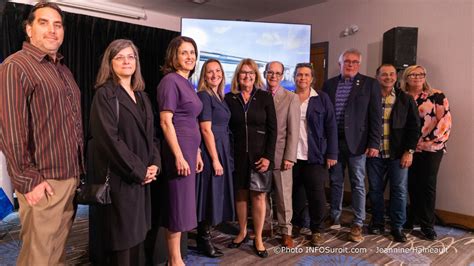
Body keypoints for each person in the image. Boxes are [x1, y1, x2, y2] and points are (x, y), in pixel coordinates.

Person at [0, 2, 83, 264]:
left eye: (57, 25)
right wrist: (28, 180)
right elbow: (11, 129)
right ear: (29, 29)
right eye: (44, 23)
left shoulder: (62, 69)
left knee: (55, 255)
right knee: (39, 257)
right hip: (42, 181)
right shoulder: (16, 66)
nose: (52, 30)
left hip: (68, 176)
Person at [88, 39, 161, 265]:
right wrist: (140, 171)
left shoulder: (142, 96)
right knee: (122, 243)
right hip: (122, 179)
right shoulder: (105, 95)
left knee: (138, 238)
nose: (126, 61)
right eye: (120, 57)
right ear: (110, 63)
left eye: (131, 56)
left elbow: (153, 137)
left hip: (143, 181)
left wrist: (155, 165)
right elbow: (110, 141)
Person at [322, 48, 382, 242]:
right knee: (336, 181)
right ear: (340, 63)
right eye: (347, 61)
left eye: (354, 62)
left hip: (358, 144)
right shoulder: (329, 85)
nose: (350, 64)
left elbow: (375, 116)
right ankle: (335, 216)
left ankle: (358, 221)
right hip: (334, 143)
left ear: (359, 64)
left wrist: (374, 142)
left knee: (357, 182)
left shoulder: (370, 84)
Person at [156, 36, 203, 266]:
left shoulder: (187, 82)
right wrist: (179, 155)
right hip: (178, 150)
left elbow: (191, 120)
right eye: (184, 52)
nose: (189, 57)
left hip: (189, 149)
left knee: (183, 205)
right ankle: (174, 260)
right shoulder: (170, 81)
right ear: (174, 56)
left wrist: (197, 152)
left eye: (192, 52)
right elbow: (166, 121)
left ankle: (174, 259)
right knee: (177, 204)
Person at [225, 58, 277, 258]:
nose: (247, 76)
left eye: (251, 73)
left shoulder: (264, 97)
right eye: (243, 73)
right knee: (240, 194)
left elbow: (273, 129)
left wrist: (268, 157)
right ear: (238, 76)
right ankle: (242, 232)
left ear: (256, 76)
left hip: (259, 157)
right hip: (236, 156)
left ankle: (258, 238)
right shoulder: (229, 98)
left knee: (258, 195)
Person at [366, 64, 420, 243]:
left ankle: (397, 226)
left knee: (399, 190)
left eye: (391, 74)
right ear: (377, 76)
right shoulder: (369, 98)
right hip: (374, 153)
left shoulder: (406, 99)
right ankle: (378, 222)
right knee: (375, 190)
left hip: (398, 154)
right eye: (384, 74)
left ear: (396, 77)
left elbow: (414, 128)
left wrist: (409, 151)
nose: (388, 77)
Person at [401, 65, 452, 241]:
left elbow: (444, 122)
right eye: (413, 74)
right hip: (408, 149)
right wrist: (410, 146)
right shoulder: (402, 96)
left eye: (421, 74)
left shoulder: (436, 95)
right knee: (412, 184)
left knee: (427, 186)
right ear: (406, 78)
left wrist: (425, 142)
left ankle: (427, 225)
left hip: (431, 148)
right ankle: (411, 218)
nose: (417, 77)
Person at [292, 63, 338, 246]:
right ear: (294, 77)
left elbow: (331, 126)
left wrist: (332, 153)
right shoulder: (289, 98)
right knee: (296, 193)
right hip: (293, 156)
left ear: (312, 78)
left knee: (316, 194)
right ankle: (296, 224)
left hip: (315, 155)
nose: (302, 78)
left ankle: (317, 229)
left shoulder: (322, 98)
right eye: (299, 75)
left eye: (306, 75)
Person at [195, 59, 235, 257]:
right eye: (210, 72)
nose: (214, 75)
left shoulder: (219, 96)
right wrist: (215, 159)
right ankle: (203, 239)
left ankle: (206, 236)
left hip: (222, 146)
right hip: (212, 149)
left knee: (215, 194)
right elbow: (205, 129)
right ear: (204, 75)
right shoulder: (204, 95)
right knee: (209, 194)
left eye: (218, 71)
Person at [263, 61, 300, 247]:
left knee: (283, 196)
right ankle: (266, 227)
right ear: (264, 73)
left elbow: (294, 130)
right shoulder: (258, 95)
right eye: (270, 72)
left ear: (283, 75)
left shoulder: (291, 98)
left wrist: (289, 157)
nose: (274, 76)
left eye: (278, 73)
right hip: (261, 156)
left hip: (281, 154)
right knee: (262, 194)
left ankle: (286, 231)